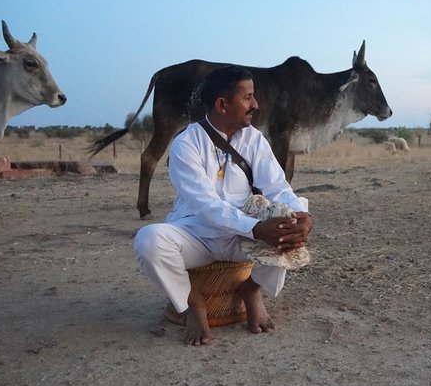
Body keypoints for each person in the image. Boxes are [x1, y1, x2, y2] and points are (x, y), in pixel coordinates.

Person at [134, 65, 313, 345]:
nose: (255, 104)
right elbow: (207, 206)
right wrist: (256, 228)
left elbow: (278, 187)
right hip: (196, 236)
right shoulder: (186, 144)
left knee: (290, 227)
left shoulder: (254, 139)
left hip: (243, 236)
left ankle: (252, 289)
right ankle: (193, 302)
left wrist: (302, 216)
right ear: (222, 104)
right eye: (248, 97)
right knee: (148, 240)